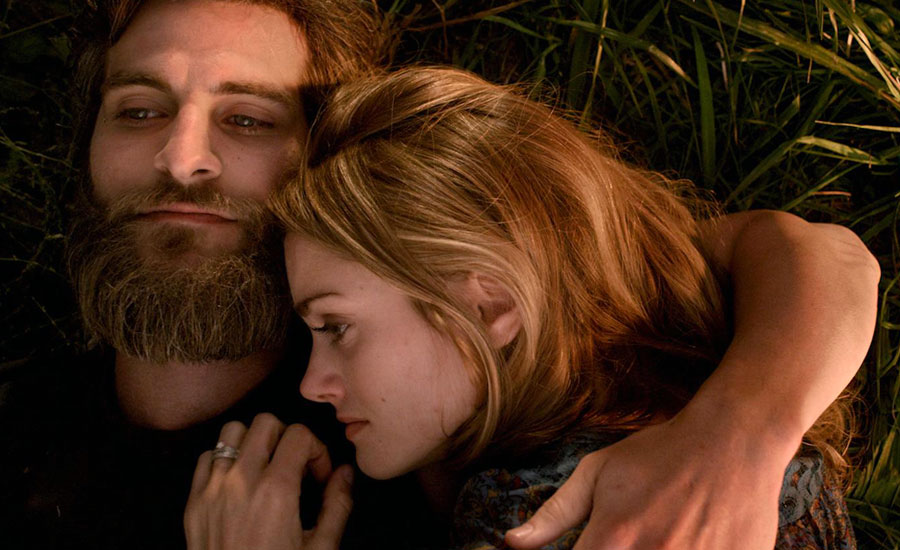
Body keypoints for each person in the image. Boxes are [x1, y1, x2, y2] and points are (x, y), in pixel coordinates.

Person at [0, 0, 879, 549]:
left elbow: (814, 253)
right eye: (138, 110)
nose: (181, 155)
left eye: (249, 120)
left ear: (326, 158)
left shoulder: (427, 394)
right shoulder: (25, 416)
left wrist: (737, 439)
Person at [184, 66, 866, 550]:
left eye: (336, 326)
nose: (312, 382)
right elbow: (814, 249)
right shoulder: (670, 380)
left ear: (490, 308)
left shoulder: (537, 512)